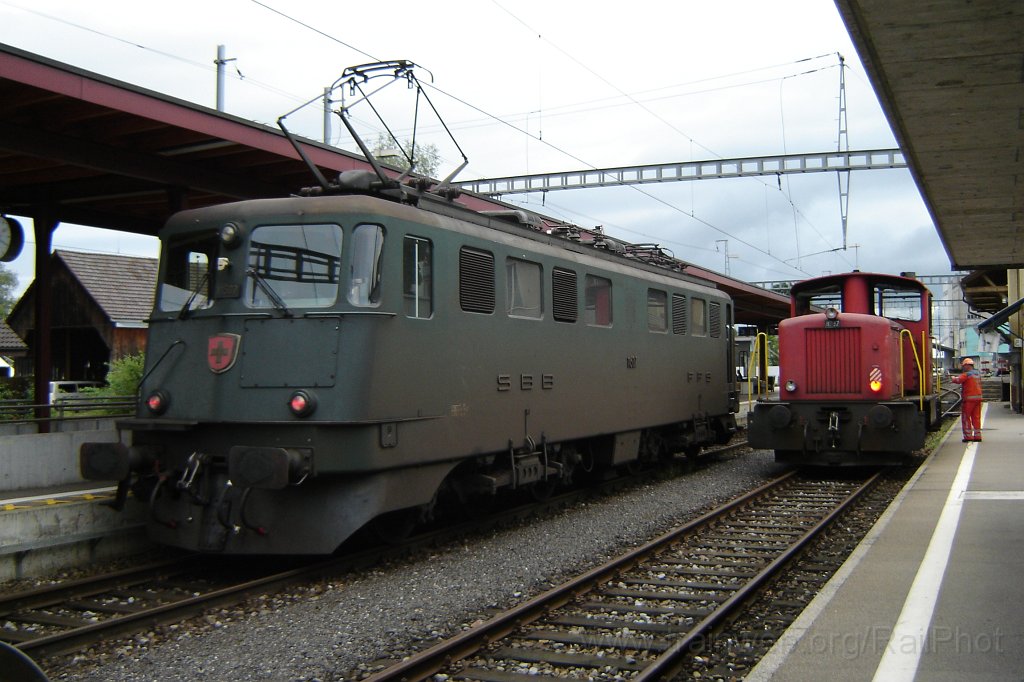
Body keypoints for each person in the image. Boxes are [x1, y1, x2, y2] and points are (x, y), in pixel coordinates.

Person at [951, 358, 983, 442]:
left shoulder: (966, 374)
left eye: (964, 366)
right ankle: (977, 436)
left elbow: (958, 380)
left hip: (969, 399)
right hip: (978, 399)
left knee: (966, 418)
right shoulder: (977, 374)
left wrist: (953, 378)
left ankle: (968, 437)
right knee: (976, 417)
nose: (963, 367)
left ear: (968, 365)